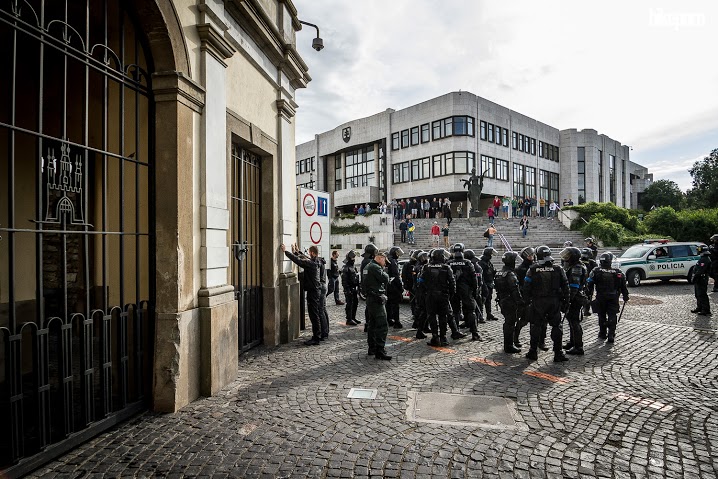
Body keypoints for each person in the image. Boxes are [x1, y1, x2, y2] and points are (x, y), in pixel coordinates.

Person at [523, 245, 570, 362]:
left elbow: (526, 287)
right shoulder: (558, 269)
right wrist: (566, 301)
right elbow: (566, 286)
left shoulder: (533, 269)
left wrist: (527, 301)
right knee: (557, 326)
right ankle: (558, 353)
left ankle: (533, 351)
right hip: (554, 301)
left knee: (536, 326)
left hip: (538, 302)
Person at [281, 243, 323, 345]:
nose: (308, 254)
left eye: (309, 252)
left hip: (313, 292)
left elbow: (299, 261)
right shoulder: (316, 261)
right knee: (315, 314)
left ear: (312, 253)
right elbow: (305, 258)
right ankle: (318, 335)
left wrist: (286, 252)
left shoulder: (312, 264)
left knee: (314, 315)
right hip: (315, 290)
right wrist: (297, 252)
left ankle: (316, 338)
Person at [587, 252, 629, 343]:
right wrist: (626, 296)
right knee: (612, 315)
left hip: (601, 296)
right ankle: (611, 333)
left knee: (601, 315)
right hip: (613, 297)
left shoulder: (596, 271)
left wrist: (588, 295)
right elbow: (623, 286)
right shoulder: (618, 272)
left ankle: (602, 333)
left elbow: (589, 283)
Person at [418, 248, 457, 347]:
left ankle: (435, 337)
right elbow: (452, 283)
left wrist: (424, 294)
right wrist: (450, 295)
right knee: (443, 316)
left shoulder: (426, 267)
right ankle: (443, 337)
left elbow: (420, 282)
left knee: (432, 317)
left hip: (430, 295)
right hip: (443, 295)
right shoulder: (446, 267)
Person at [447, 243, 482, 341]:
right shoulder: (467, 263)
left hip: (454, 290)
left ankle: (456, 331)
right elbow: (474, 277)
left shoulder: (449, 263)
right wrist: (475, 290)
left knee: (455, 311)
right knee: (471, 311)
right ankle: (474, 333)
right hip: (466, 290)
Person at [363, 249, 392, 360]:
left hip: (371, 298)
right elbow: (385, 279)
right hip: (376, 299)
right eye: (384, 261)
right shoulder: (375, 267)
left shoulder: (368, 266)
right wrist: (384, 270)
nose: (385, 263)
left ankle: (372, 348)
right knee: (382, 325)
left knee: (372, 325)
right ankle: (380, 350)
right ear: (380, 258)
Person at [494, 251, 524, 353]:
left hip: (502, 300)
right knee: (510, 323)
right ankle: (509, 345)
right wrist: (520, 302)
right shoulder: (510, 274)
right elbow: (515, 290)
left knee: (508, 322)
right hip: (510, 301)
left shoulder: (499, 272)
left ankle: (508, 344)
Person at [560, 247, 589, 355]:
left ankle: (578, 346)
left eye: (568, 255)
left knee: (574, 321)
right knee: (571, 320)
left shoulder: (577, 267)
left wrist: (568, 300)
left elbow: (574, 286)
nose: (566, 257)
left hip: (575, 298)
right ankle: (573, 342)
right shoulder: (575, 265)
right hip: (575, 297)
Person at [513, 246, 535, 349]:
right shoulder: (520, 269)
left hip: (535, 296)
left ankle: (537, 341)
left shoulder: (535, 267)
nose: (532, 257)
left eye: (533, 255)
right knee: (523, 320)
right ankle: (515, 338)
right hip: (524, 297)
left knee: (537, 321)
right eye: (530, 255)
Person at [478, 247, 499, 322]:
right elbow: (481, 274)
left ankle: (489, 314)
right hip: (484, 283)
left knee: (489, 299)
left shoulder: (488, 262)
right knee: (482, 300)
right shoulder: (481, 262)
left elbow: (491, 271)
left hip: (489, 282)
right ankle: (480, 316)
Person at [386, 246, 405, 329]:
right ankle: (397, 322)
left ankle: (389, 319)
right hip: (394, 286)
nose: (398, 255)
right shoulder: (393, 261)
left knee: (389, 304)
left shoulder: (389, 260)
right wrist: (400, 287)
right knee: (395, 305)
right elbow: (396, 275)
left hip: (389, 285)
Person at [341, 251, 360, 326]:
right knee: (349, 304)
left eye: (354, 257)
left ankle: (353, 317)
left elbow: (356, 276)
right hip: (349, 288)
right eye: (352, 257)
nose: (354, 259)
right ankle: (349, 319)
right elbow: (344, 280)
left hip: (354, 287)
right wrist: (347, 289)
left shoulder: (353, 266)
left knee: (355, 303)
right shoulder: (346, 267)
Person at [691, 245, 712, 316]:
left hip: (702, 279)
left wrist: (695, 277)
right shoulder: (703, 258)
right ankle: (699, 307)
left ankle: (706, 310)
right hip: (699, 279)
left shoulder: (705, 259)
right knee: (698, 294)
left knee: (702, 294)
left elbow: (700, 270)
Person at [580, 248, 598, 317]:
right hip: (584, 282)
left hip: (587, 282)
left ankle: (586, 309)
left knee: (588, 295)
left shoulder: (592, 263)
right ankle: (585, 309)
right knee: (587, 295)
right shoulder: (592, 263)